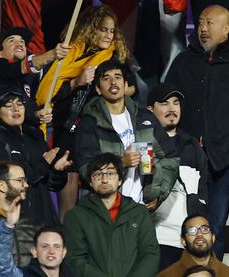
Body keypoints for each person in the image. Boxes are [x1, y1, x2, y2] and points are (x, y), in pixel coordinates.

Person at [162, 4, 229, 243]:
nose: (203, 28)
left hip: (223, 160)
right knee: (183, 223)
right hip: (186, 156)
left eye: (210, 23)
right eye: (200, 22)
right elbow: (167, 101)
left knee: (215, 226)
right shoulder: (184, 61)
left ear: (226, 29)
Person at [66, 59, 177, 209]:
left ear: (125, 85)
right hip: (104, 211)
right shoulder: (89, 124)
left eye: (118, 77)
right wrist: (120, 163)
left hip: (140, 210)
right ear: (98, 89)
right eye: (106, 78)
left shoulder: (145, 118)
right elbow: (86, 170)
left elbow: (170, 157)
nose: (113, 82)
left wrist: (159, 193)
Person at [62, 154, 159, 277]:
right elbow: (75, 260)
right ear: (91, 182)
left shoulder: (139, 213)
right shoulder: (76, 216)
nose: (104, 179)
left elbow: (151, 254)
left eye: (110, 173)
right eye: (98, 174)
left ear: (120, 180)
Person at [0, 92, 69, 226]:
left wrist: (57, 170)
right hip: (8, 218)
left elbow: (51, 184)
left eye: (20, 104)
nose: (16, 109)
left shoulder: (34, 136)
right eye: (8, 105)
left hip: (42, 216)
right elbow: (6, 181)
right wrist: (43, 164)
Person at [144, 84, 210, 266]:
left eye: (176, 103)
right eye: (164, 103)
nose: (172, 109)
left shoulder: (192, 146)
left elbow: (202, 190)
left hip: (186, 241)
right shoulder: (142, 143)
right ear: (150, 110)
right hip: (154, 239)